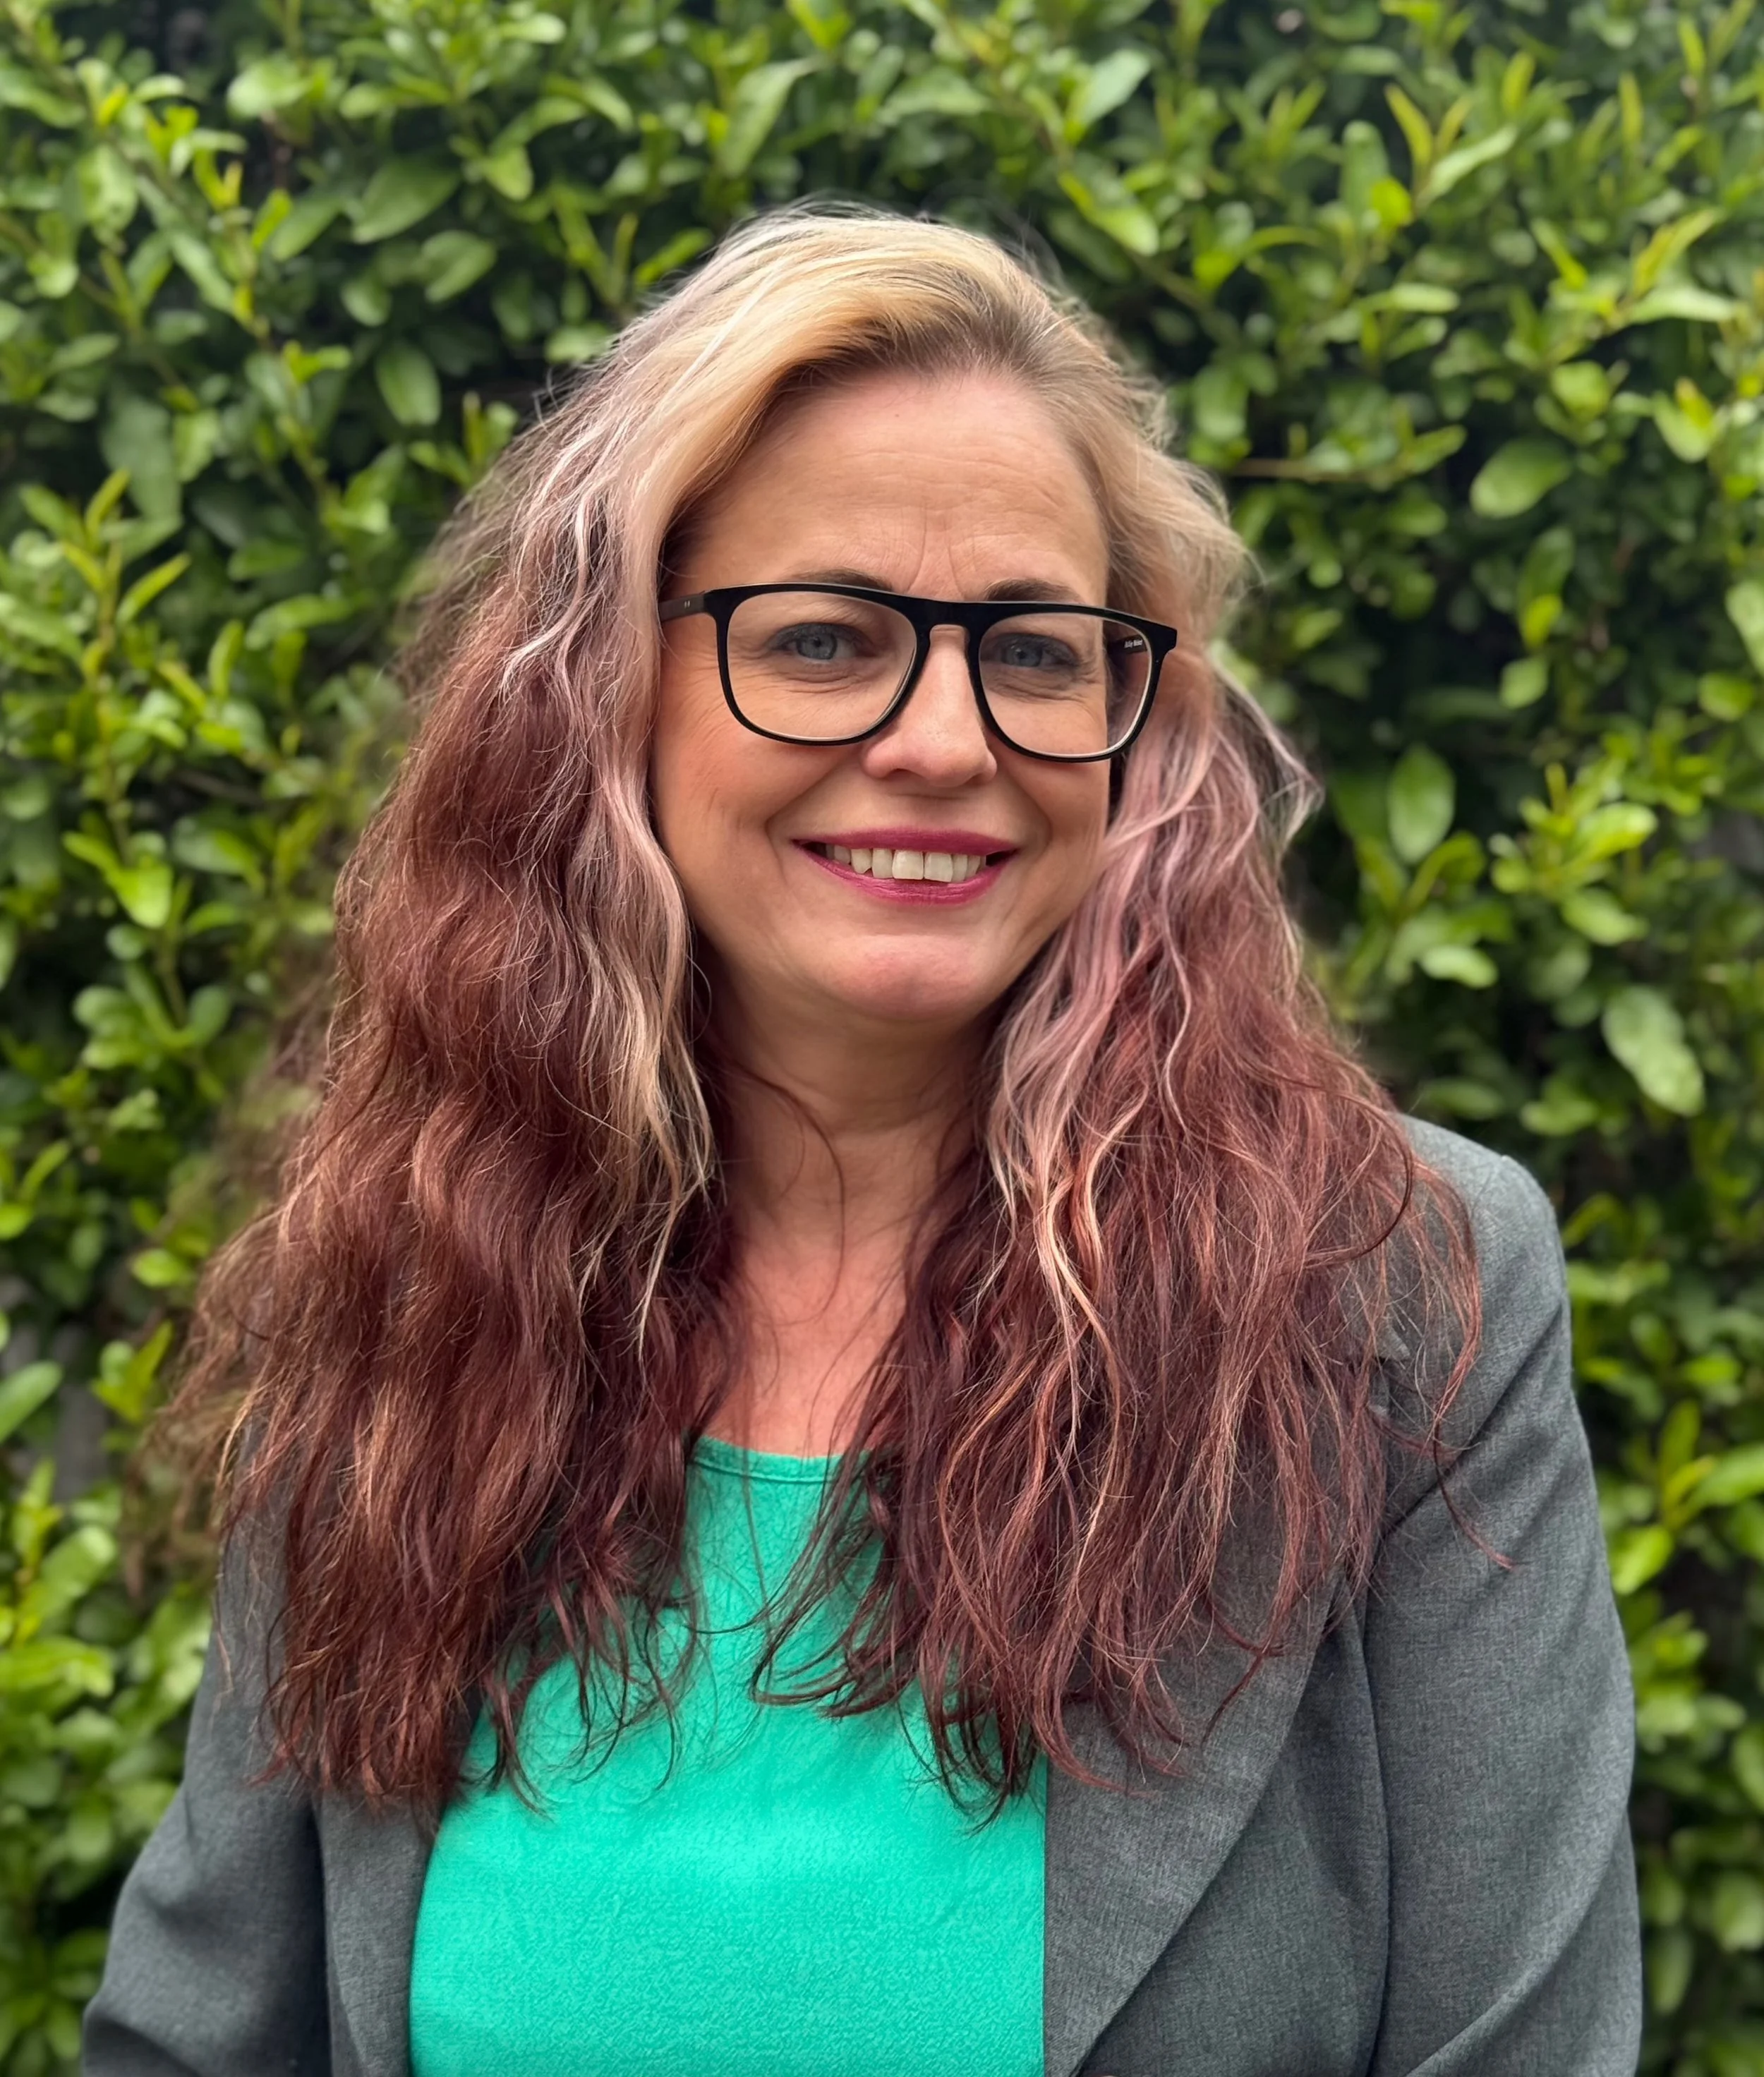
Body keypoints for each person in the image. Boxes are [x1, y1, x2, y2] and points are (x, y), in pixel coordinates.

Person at [84, 204, 1641, 2077]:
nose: (936, 737)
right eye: (824, 637)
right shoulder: (422, 1279)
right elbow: (195, 2037)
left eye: (1034, 653)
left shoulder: (1405, 1294)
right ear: (605, 692)